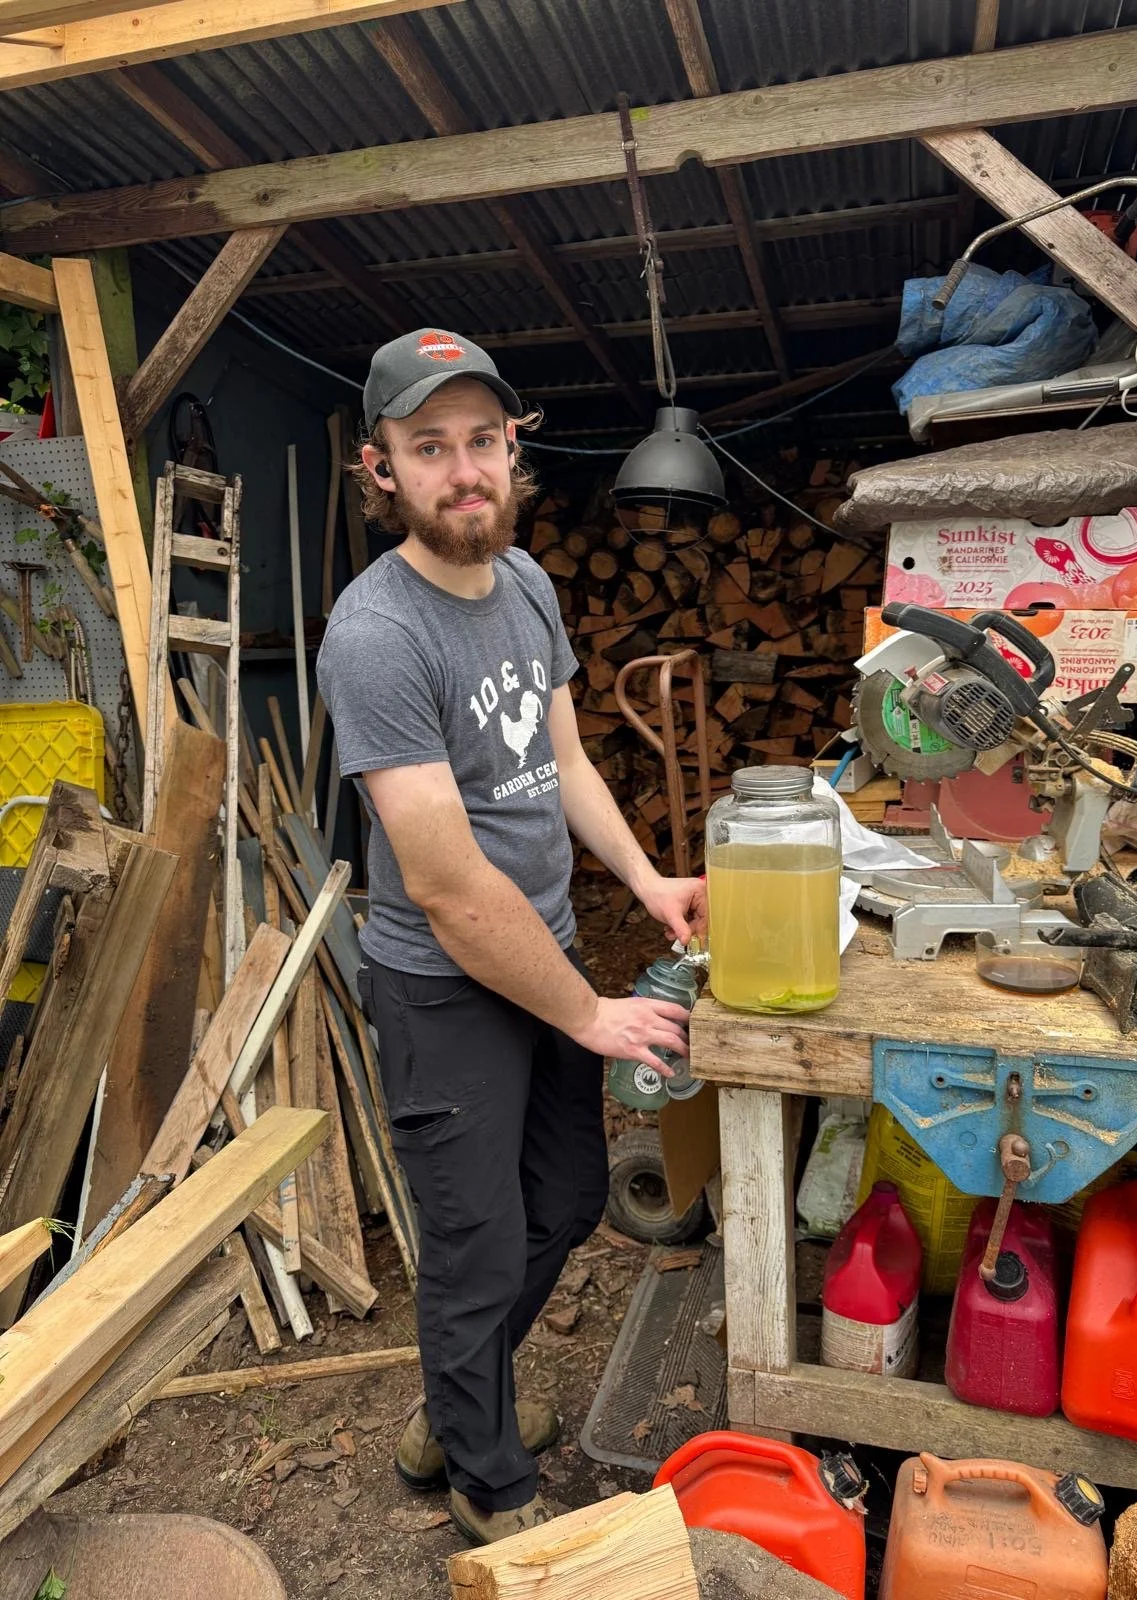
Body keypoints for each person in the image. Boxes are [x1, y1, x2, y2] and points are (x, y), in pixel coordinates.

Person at [316, 328, 706, 1545]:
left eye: (481, 440)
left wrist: (644, 878)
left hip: (540, 949)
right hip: (443, 985)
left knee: (572, 1195)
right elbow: (444, 887)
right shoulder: (376, 636)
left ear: (511, 447)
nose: (463, 470)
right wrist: (589, 1013)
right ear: (381, 467)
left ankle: (457, 1398)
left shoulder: (527, 583)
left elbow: (565, 761)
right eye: (429, 447)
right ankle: (487, 1478)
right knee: (475, 1242)